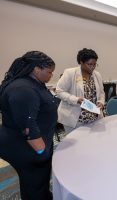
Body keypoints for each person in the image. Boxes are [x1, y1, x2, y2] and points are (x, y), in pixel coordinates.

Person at [0, 51, 56, 200]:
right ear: (36, 69)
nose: (51, 75)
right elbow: (27, 126)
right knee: (33, 184)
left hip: (34, 144)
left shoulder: (34, 83)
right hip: (27, 148)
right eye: (49, 72)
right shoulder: (23, 89)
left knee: (39, 181)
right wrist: (41, 152)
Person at [56, 48, 105, 134]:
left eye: (94, 64)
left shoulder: (97, 75)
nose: (92, 67)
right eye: (89, 64)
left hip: (94, 117)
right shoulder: (70, 73)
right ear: (81, 62)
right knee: (77, 145)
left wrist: (101, 102)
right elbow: (59, 91)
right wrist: (76, 99)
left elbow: (101, 93)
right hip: (75, 119)